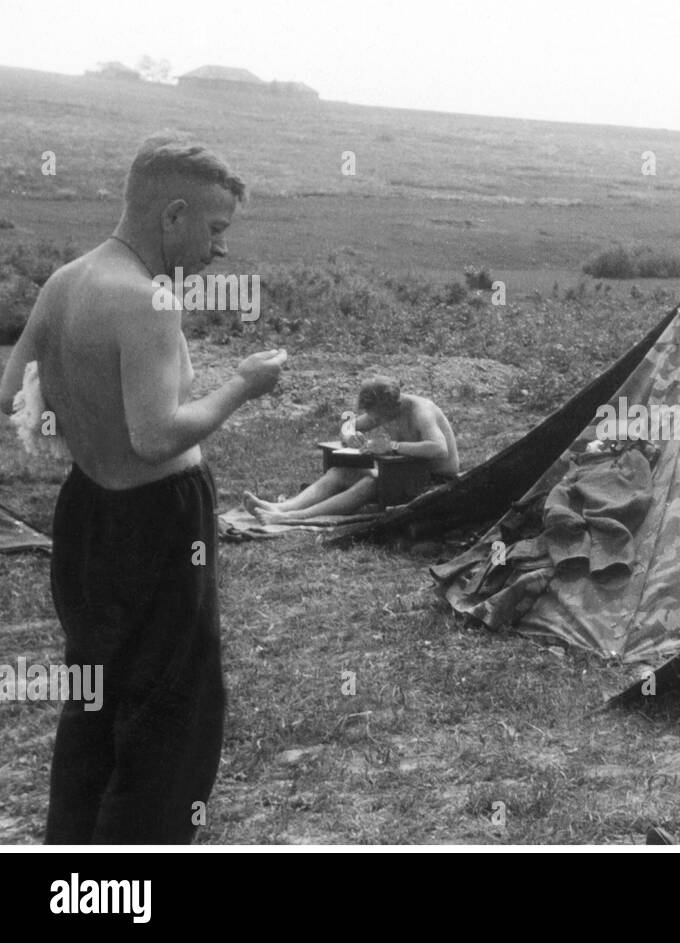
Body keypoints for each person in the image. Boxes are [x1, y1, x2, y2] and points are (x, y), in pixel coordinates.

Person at [0, 132, 286, 843]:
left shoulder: (66, 280)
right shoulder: (147, 301)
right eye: (215, 230)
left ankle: (73, 858)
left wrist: (70, 410)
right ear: (173, 215)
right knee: (168, 711)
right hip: (159, 522)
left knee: (93, 695)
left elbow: (12, 393)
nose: (220, 250)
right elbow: (157, 436)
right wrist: (244, 385)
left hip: (87, 513)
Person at [242, 375, 458, 522]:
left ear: (391, 405)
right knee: (339, 473)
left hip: (436, 482)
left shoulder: (421, 411)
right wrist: (349, 435)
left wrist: (392, 446)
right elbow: (349, 425)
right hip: (404, 474)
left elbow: (439, 449)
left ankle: (291, 518)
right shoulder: (385, 411)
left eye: (377, 415)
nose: (375, 420)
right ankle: (282, 507)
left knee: (370, 482)